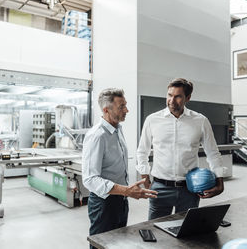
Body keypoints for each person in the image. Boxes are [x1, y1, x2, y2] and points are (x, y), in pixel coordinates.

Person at [136, 78, 225, 220]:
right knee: (155, 232)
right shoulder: (152, 120)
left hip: (189, 189)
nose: (172, 100)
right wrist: (144, 175)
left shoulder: (200, 121)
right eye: (169, 95)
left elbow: (213, 152)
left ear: (187, 98)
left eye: (177, 96)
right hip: (159, 187)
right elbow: (142, 151)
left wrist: (220, 181)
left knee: (185, 234)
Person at [82, 88, 157, 248]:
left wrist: (125, 193)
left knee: (118, 244)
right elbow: (90, 179)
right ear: (106, 110)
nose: (127, 110)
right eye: (121, 106)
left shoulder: (117, 130)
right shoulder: (97, 136)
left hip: (120, 200)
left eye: (125, 105)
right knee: (101, 245)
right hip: (104, 204)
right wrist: (126, 191)